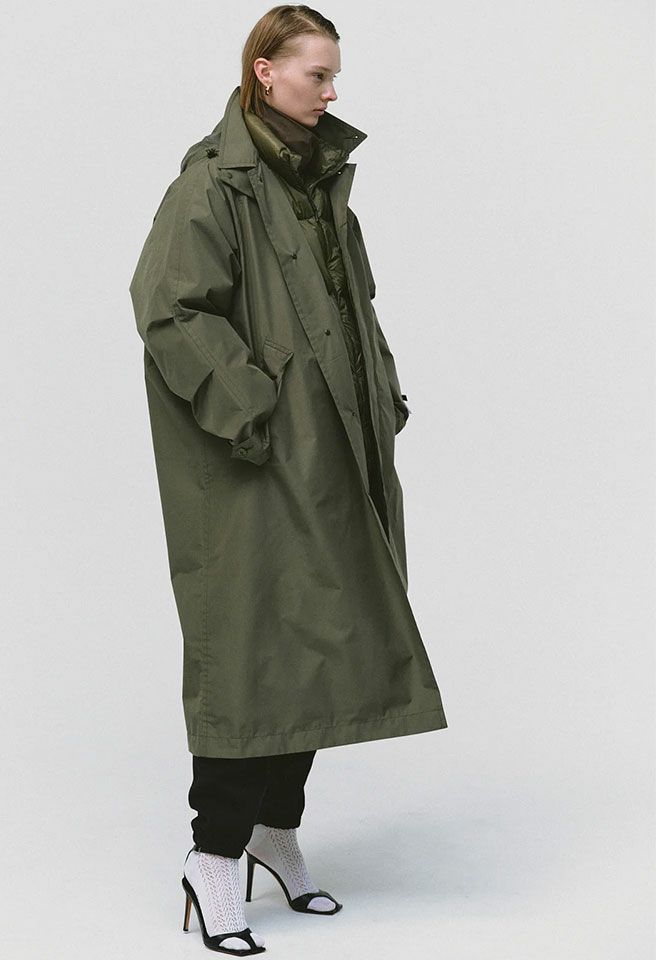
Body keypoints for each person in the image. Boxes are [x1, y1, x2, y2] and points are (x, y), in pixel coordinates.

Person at [129, 5, 448, 954]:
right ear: (265, 72)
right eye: (318, 73)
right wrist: (253, 410)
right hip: (257, 459)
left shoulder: (317, 181)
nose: (332, 90)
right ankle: (212, 857)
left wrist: (382, 394)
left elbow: (356, 307)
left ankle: (275, 829)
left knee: (320, 642)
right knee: (253, 647)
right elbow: (170, 308)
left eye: (334, 74)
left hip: (337, 448)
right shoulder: (214, 184)